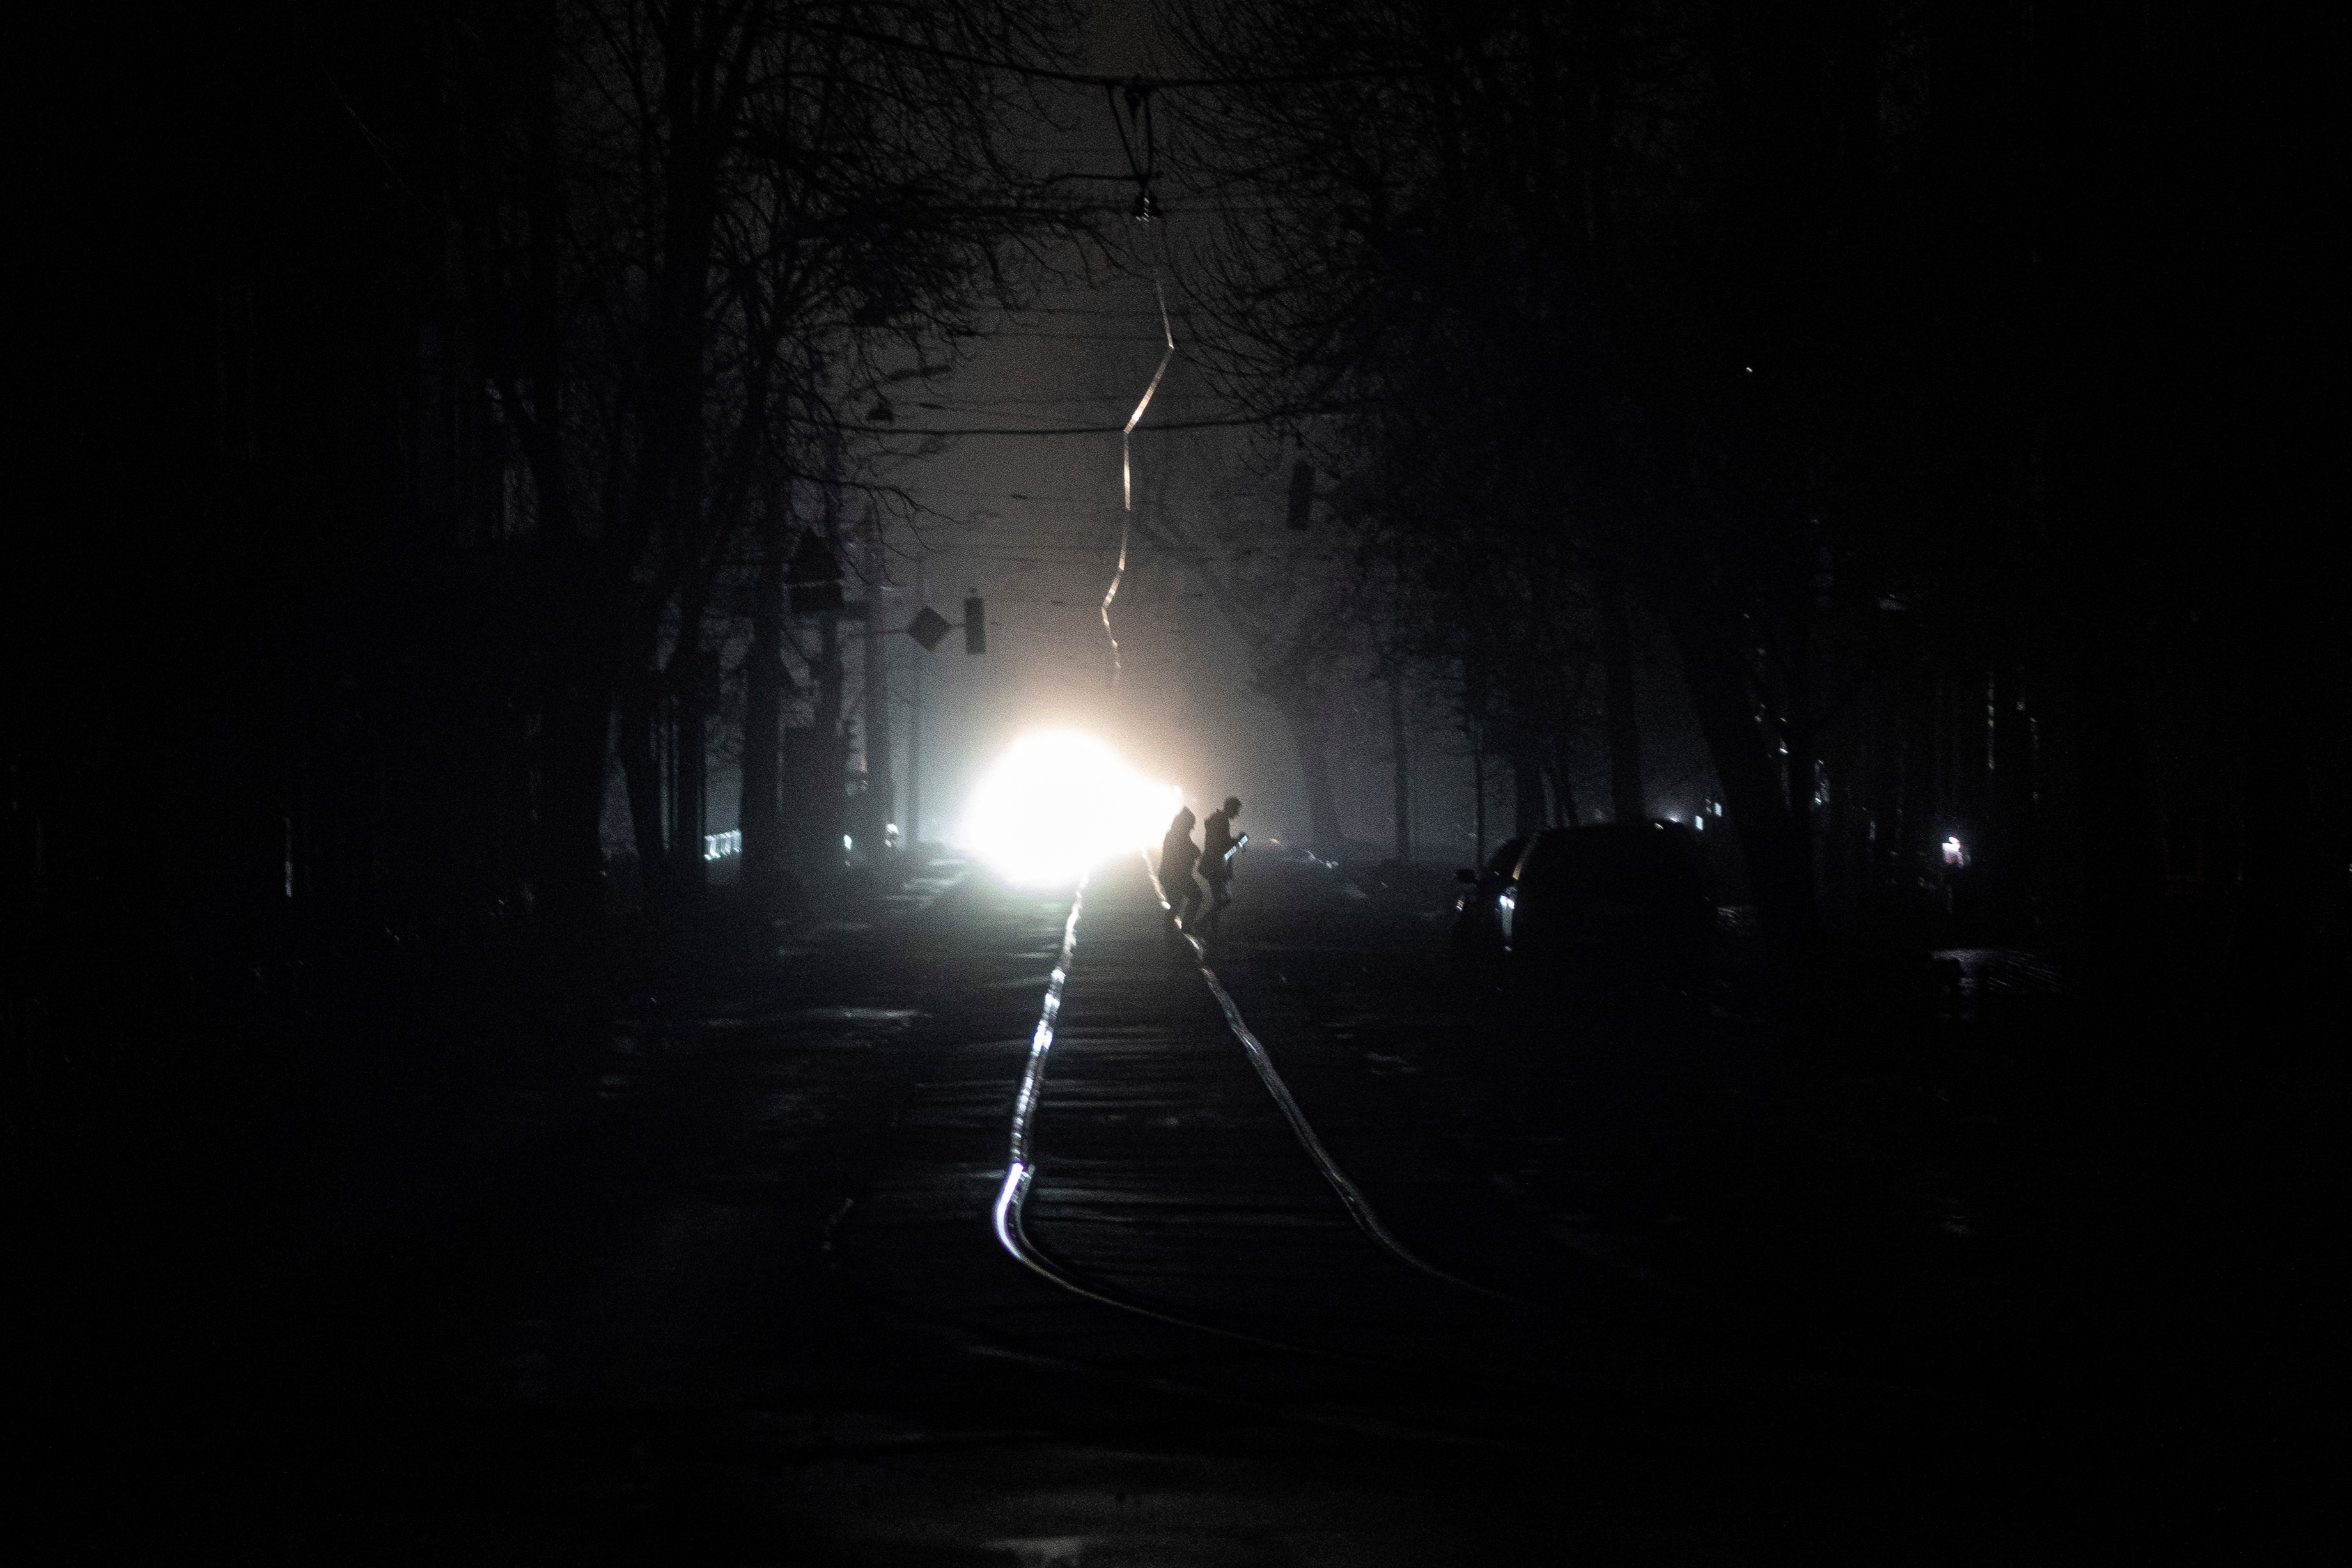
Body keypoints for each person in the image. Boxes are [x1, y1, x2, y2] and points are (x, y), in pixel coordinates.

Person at [1158, 805, 1203, 929]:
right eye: (1191, 824)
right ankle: (1184, 926)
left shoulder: (1176, 834)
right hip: (1176, 875)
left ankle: (1172, 928)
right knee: (1194, 896)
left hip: (1172, 875)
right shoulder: (1179, 836)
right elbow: (1194, 851)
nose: (1193, 827)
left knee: (1176, 902)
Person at [1201, 796, 1243, 920]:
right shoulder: (1222, 821)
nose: (1237, 814)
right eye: (1236, 810)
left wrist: (1237, 842)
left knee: (1220, 899)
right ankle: (1203, 924)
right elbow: (1224, 846)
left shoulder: (1218, 819)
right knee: (1222, 899)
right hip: (1214, 866)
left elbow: (1224, 846)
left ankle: (1209, 926)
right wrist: (1239, 841)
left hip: (1212, 864)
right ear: (1231, 808)